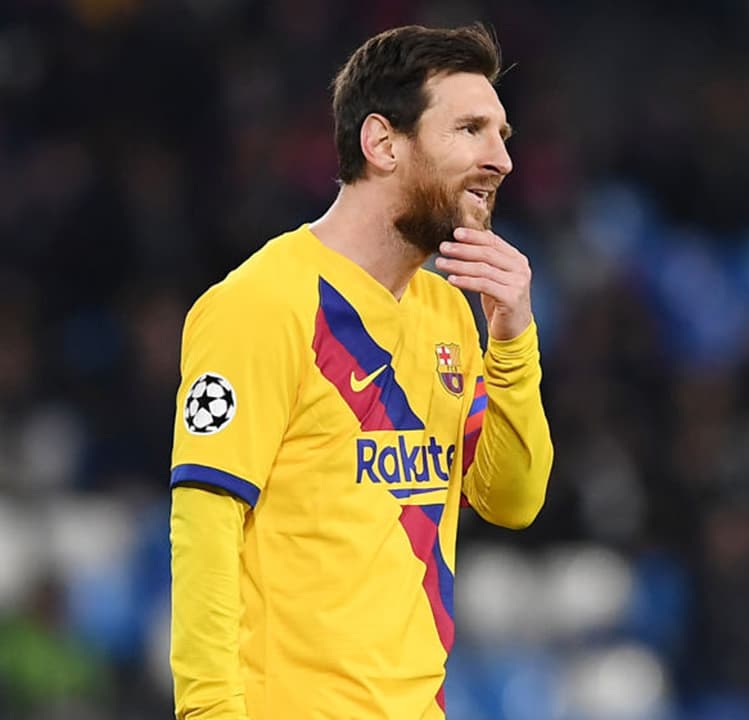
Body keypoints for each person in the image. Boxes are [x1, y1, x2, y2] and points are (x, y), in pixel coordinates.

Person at [168, 24, 552, 720]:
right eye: (470, 130)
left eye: (502, 135)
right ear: (382, 143)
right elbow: (205, 526)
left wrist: (512, 339)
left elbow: (511, 500)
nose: (501, 160)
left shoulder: (448, 312)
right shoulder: (261, 304)